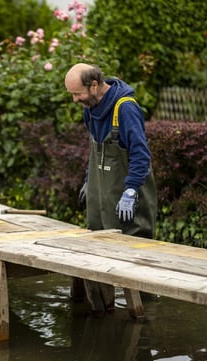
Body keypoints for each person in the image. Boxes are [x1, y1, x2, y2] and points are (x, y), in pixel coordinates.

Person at [64, 63, 157, 312]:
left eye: (77, 94)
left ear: (94, 85)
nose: (75, 100)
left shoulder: (125, 108)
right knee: (99, 248)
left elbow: (140, 154)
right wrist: (88, 179)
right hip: (101, 195)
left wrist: (131, 190)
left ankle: (146, 316)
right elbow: (94, 151)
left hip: (126, 195)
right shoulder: (90, 109)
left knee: (133, 255)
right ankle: (103, 310)